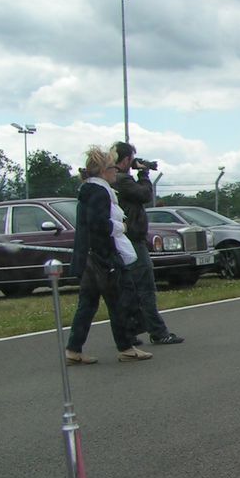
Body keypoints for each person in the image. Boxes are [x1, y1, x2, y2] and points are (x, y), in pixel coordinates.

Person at [65, 146, 152, 364]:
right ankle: (125, 347)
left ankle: (74, 349)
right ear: (104, 170)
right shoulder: (99, 192)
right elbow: (98, 224)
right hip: (102, 256)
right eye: (113, 167)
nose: (117, 171)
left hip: (90, 256)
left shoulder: (88, 189)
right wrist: (119, 227)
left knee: (88, 303)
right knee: (119, 299)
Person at [111, 142, 184, 345]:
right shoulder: (122, 180)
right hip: (132, 240)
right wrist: (144, 174)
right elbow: (144, 195)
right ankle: (158, 332)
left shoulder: (113, 180)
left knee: (129, 287)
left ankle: (129, 331)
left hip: (125, 239)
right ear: (126, 160)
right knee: (145, 287)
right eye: (131, 159)